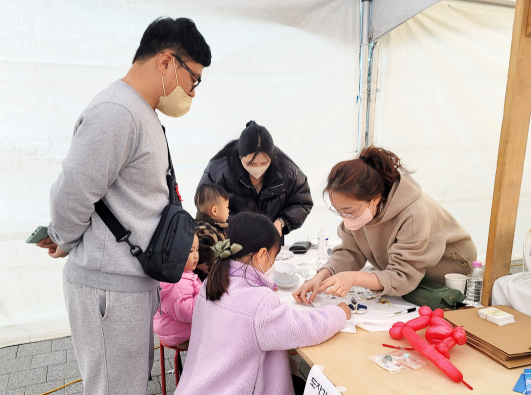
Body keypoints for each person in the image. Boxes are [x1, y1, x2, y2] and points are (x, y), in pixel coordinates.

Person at [35, 17, 211, 394]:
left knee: (127, 384)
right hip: (108, 289)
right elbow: (72, 193)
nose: (193, 92)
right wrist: (64, 238)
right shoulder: (117, 112)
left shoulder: (139, 112)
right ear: (166, 62)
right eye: (193, 79)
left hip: (127, 284)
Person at [174, 213, 351, 395]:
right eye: (274, 256)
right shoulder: (258, 302)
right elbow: (306, 328)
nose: (273, 263)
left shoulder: (211, 283)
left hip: (195, 386)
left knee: (291, 365)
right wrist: (339, 313)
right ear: (262, 255)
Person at [293, 146, 477, 305]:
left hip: (448, 272)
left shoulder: (413, 214)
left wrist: (354, 277)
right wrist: (321, 276)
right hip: (410, 274)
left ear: (375, 200)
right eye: (338, 210)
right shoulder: (361, 210)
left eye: (348, 210)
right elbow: (349, 252)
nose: (344, 218)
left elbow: (402, 276)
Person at [198, 120, 313, 238]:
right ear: (239, 155)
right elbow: (206, 208)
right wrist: (240, 226)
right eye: (250, 164)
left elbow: (303, 201)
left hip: (270, 242)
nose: (258, 168)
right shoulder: (218, 170)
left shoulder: (286, 169)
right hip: (231, 241)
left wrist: (281, 222)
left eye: (264, 162)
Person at [153, 234, 201, 349]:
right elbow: (190, 312)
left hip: (171, 327)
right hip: (176, 334)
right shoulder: (177, 283)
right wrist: (206, 293)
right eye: (190, 251)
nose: (196, 256)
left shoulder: (180, 273)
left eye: (197, 250)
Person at [193, 183, 230, 280]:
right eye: (227, 207)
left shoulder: (217, 228)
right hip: (207, 285)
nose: (228, 211)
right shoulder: (204, 232)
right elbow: (207, 268)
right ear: (215, 210)